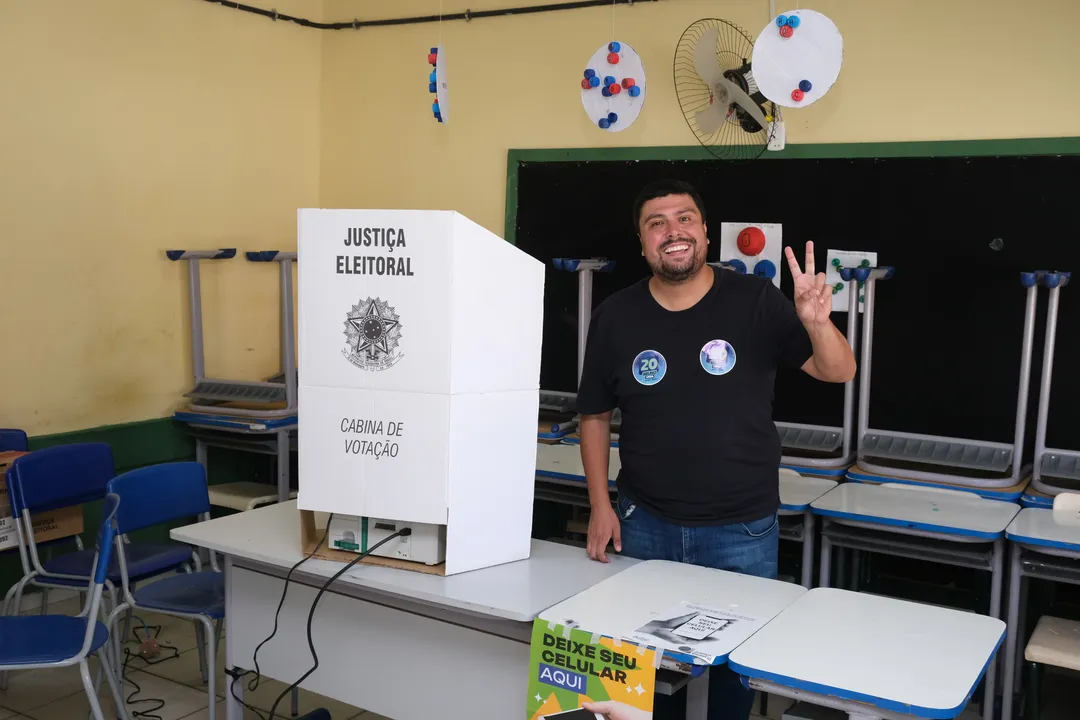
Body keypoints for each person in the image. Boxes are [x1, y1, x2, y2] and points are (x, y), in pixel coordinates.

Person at [574, 179, 856, 720]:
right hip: (644, 523)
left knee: (730, 679)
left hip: (741, 531)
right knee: (642, 673)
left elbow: (838, 369)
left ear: (705, 232)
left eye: (684, 218)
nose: (672, 231)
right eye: (657, 223)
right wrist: (601, 505)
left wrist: (818, 323)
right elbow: (594, 415)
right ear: (642, 243)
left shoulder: (754, 300)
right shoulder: (616, 315)